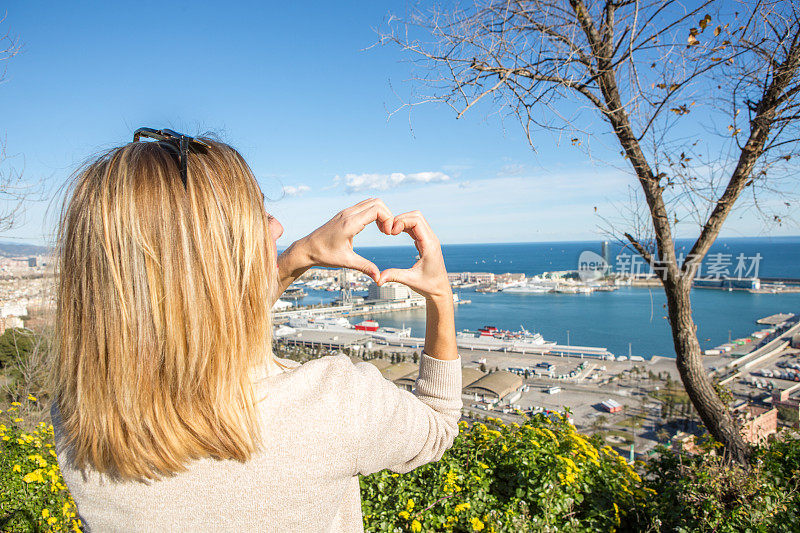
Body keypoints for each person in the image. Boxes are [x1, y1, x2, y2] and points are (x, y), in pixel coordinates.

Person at [50, 130, 462, 532]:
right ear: (217, 253)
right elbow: (439, 422)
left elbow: (196, 318)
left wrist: (296, 257)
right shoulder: (333, 404)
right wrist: (440, 295)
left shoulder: (80, 417)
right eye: (259, 213)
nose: (278, 226)